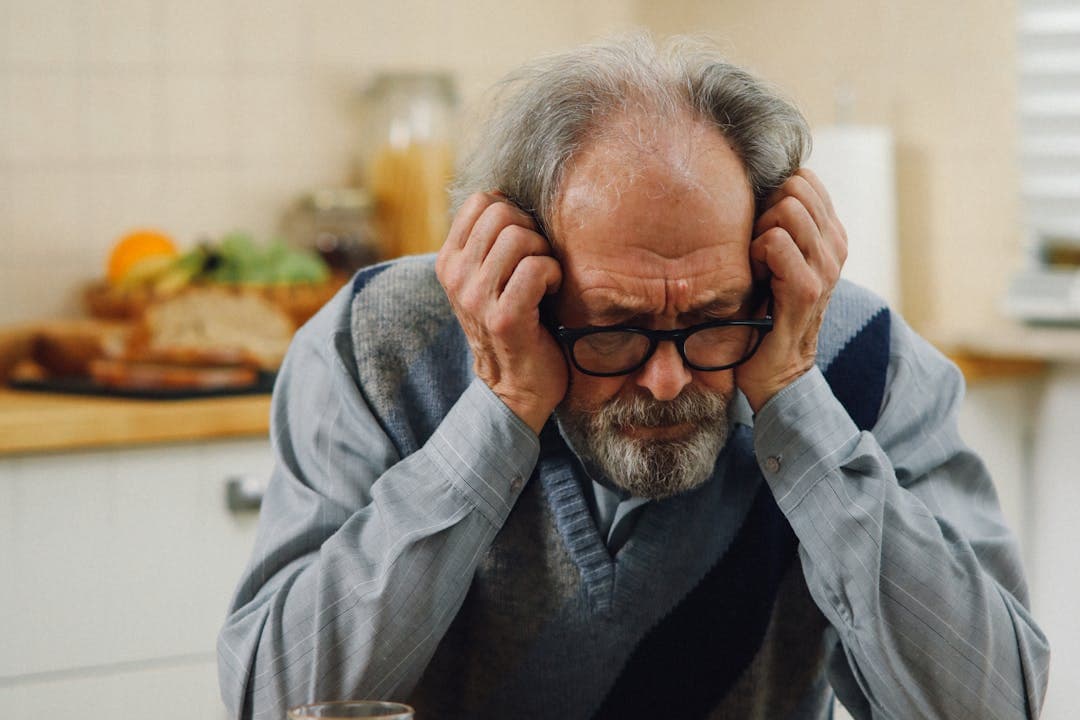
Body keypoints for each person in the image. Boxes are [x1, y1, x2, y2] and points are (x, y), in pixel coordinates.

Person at [218, 35, 1049, 719]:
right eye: (614, 327)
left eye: (711, 317)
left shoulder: (856, 355)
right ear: (525, 274)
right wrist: (500, 415)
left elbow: (992, 705)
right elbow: (276, 702)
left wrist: (795, 401)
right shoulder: (374, 345)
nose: (664, 378)